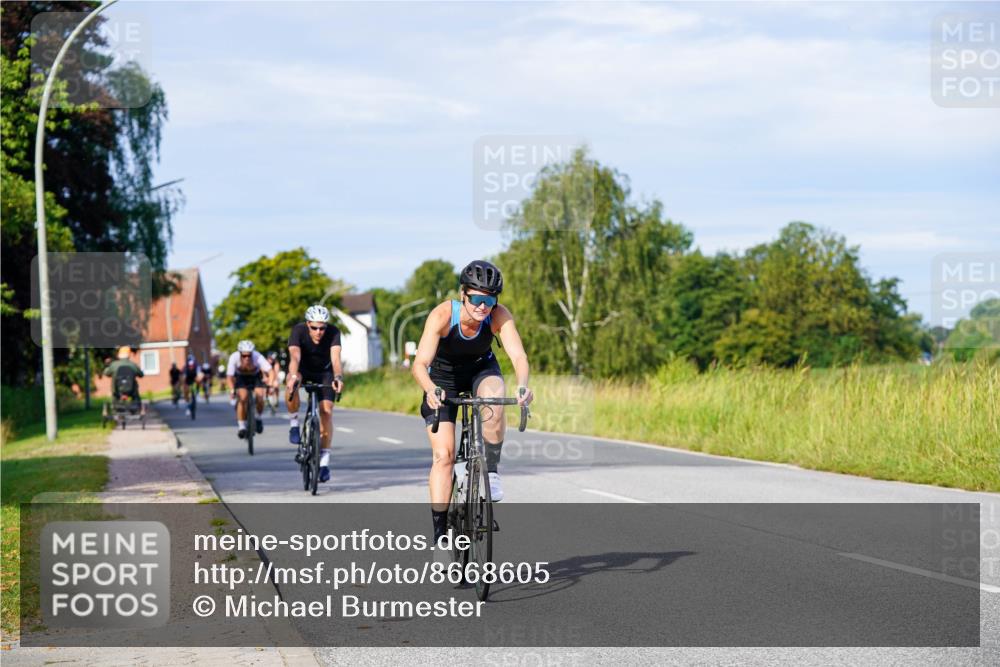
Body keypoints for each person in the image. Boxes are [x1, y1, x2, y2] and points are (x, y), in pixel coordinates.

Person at [411, 260, 533, 545]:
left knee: (494, 399)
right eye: (477, 299)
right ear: (463, 294)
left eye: (489, 300)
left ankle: (490, 469)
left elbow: (518, 356)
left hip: (481, 370)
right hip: (443, 379)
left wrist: (523, 385)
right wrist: (430, 389)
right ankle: (440, 537)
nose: (483, 307)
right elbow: (420, 364)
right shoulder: (442, 314)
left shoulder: (498, 315)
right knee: (444, 457)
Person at [285, 305, 344, 483]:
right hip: (303, 369)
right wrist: (293, 377)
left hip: (324, 372)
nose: (319, 332)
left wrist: (338, 377)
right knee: (292, 384)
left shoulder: (333, 332)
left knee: (326, 412)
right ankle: (294, 422)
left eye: (322, 328)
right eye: (314, 328)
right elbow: (294, 357)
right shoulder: (298, 331)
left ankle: (324, 463)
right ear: (308, 324)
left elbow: (336, 359)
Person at [226, 340, 274, 439]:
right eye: (244, 356)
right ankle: (241, 426)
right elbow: (229, 377)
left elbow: (271, 371)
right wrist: (232, 390)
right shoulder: (234, 357)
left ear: (252, 353)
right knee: (242, 398)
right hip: (241, 378)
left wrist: (270, 384)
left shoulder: (257, 356)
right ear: (240, 354)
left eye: (249, 355)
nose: (247, 358)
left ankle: (258, 418)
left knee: (260, 397)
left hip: (255, 377)